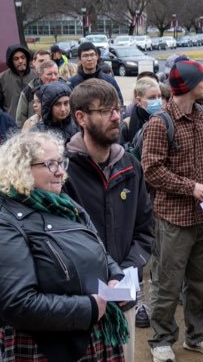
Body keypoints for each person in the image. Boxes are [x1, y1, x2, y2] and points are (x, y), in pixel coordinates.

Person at [0, 131, 131, 362]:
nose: (61, 171)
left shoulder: (63, 203)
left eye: (61, 162)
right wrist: (88, 308)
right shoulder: (3, 224)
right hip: (44, 348)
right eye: (50, 164)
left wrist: (115, 276)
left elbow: (98, 248)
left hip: (89, 335)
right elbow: (18, 304)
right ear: (20, 169)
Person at [141, 58, 203, 361]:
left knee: (201, 282)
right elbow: (152, 170)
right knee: (167, 283)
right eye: (202, 79)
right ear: (189, 85)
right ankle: (161, 340)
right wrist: (190, 187)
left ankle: (198, 336)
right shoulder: (159, 122)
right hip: (173, 219)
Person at [61, 79, 155, 330]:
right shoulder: (61, 172)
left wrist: (124, 272)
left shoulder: (130, 166)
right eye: (105, 111)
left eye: (118, 109)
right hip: (81, 302)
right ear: (81, 117)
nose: (116, 117)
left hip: (123, 295)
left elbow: (145, 229)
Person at [0, 45, 38, 124]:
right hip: (11, 124)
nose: (20, 61)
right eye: (16, 59)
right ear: (11, 61)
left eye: (23, 57)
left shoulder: (36, 76)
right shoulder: (2, 79)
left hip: (34, 123)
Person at [122, 78, 163, 145]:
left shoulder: (166, 120)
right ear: (138, 100)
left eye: (159, 96)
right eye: (152, 98)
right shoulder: (127, 125)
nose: (158, 101)